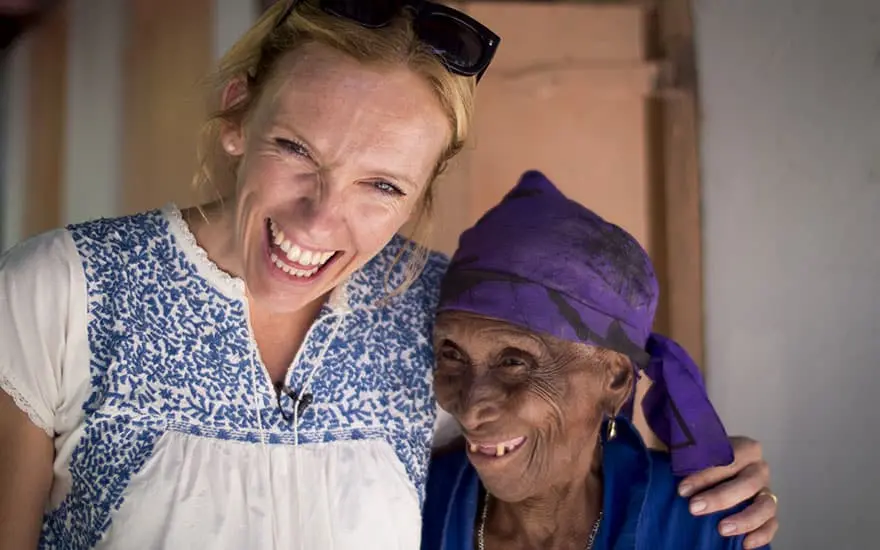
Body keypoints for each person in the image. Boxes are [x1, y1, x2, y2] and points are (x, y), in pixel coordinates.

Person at [0, 1, 774, 549]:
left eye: (383, 185)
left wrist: (713, 475)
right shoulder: (60, 290)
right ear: (238, 115)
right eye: (297, 150)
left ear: (422, 193)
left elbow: (558, 405)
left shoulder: (438, 315)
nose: (316, 221)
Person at [422, 171, 773, 550]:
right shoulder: (417, 504)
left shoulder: (709, 527)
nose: (471, 410)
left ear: (616, 379)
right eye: (452, 355)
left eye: (514, 362)